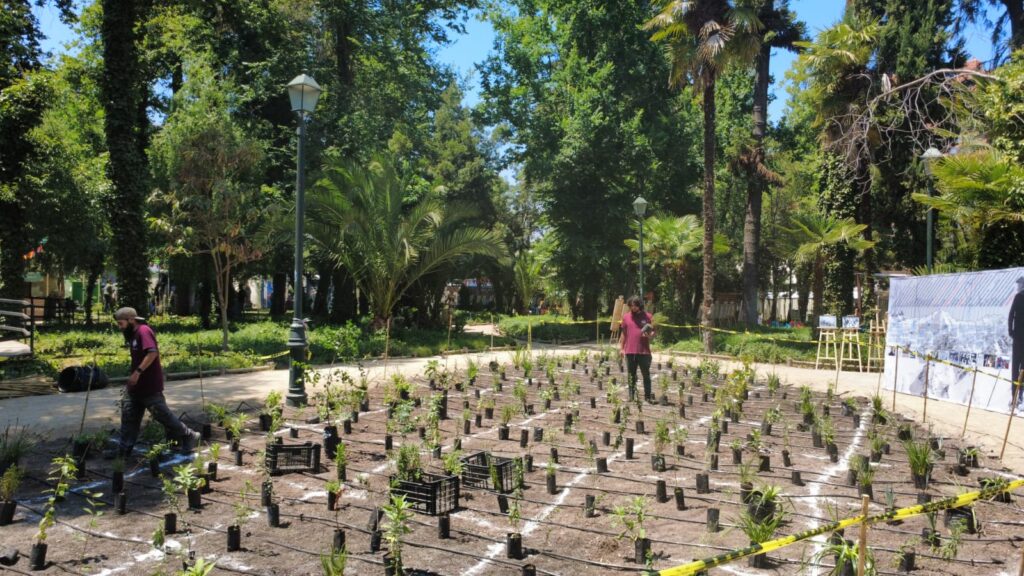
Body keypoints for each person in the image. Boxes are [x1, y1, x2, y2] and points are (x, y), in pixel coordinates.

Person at [108, 307, 200, 458]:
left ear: (131, 320)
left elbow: (152, 353)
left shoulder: (144, 331)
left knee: (163, 416)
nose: (120, 327)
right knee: (129, 417)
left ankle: (189, 435)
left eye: (121, 323)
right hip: (135, 387)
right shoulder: (133, 334)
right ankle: (124, 450)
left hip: (149, 386)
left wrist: (137, 372)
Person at [619, 295, 655, 402]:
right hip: (630, 351)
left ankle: (647, 396)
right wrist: (621, 348)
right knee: (631, 375)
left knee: (646, 375)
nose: (633, 308)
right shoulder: (626, 317)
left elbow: (653, 332)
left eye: (635, 306)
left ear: (640, 305)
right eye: (631, 306)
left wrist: (650, 335)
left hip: (644, 351)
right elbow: (623, 334)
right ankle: (631, 396)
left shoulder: (648, 316)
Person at [1008, 276, 1024, 409]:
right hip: (1018, 338)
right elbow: (1011, 315)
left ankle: (1016, 397)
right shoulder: (1018, 297)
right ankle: (1017, 397)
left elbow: (1010, 315)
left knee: (1017, 369)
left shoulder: (1018, 297)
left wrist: (1011, 331)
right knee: (1021, 369)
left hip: (1018, 338)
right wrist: (1011, 331)